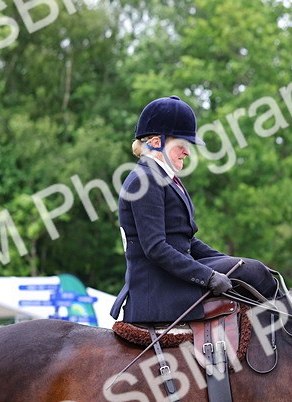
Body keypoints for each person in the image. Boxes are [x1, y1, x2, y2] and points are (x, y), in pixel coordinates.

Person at [111, 96, 278, 324]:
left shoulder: (165, 179)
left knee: (252, 270)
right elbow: (156, 248)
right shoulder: (145, 180)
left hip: (172, 275)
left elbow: (187, 242)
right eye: (182, 144)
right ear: (157, 142)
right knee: (254, 272)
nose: (187, 152)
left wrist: (230, 261)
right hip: (158, 286)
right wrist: (207, 277)